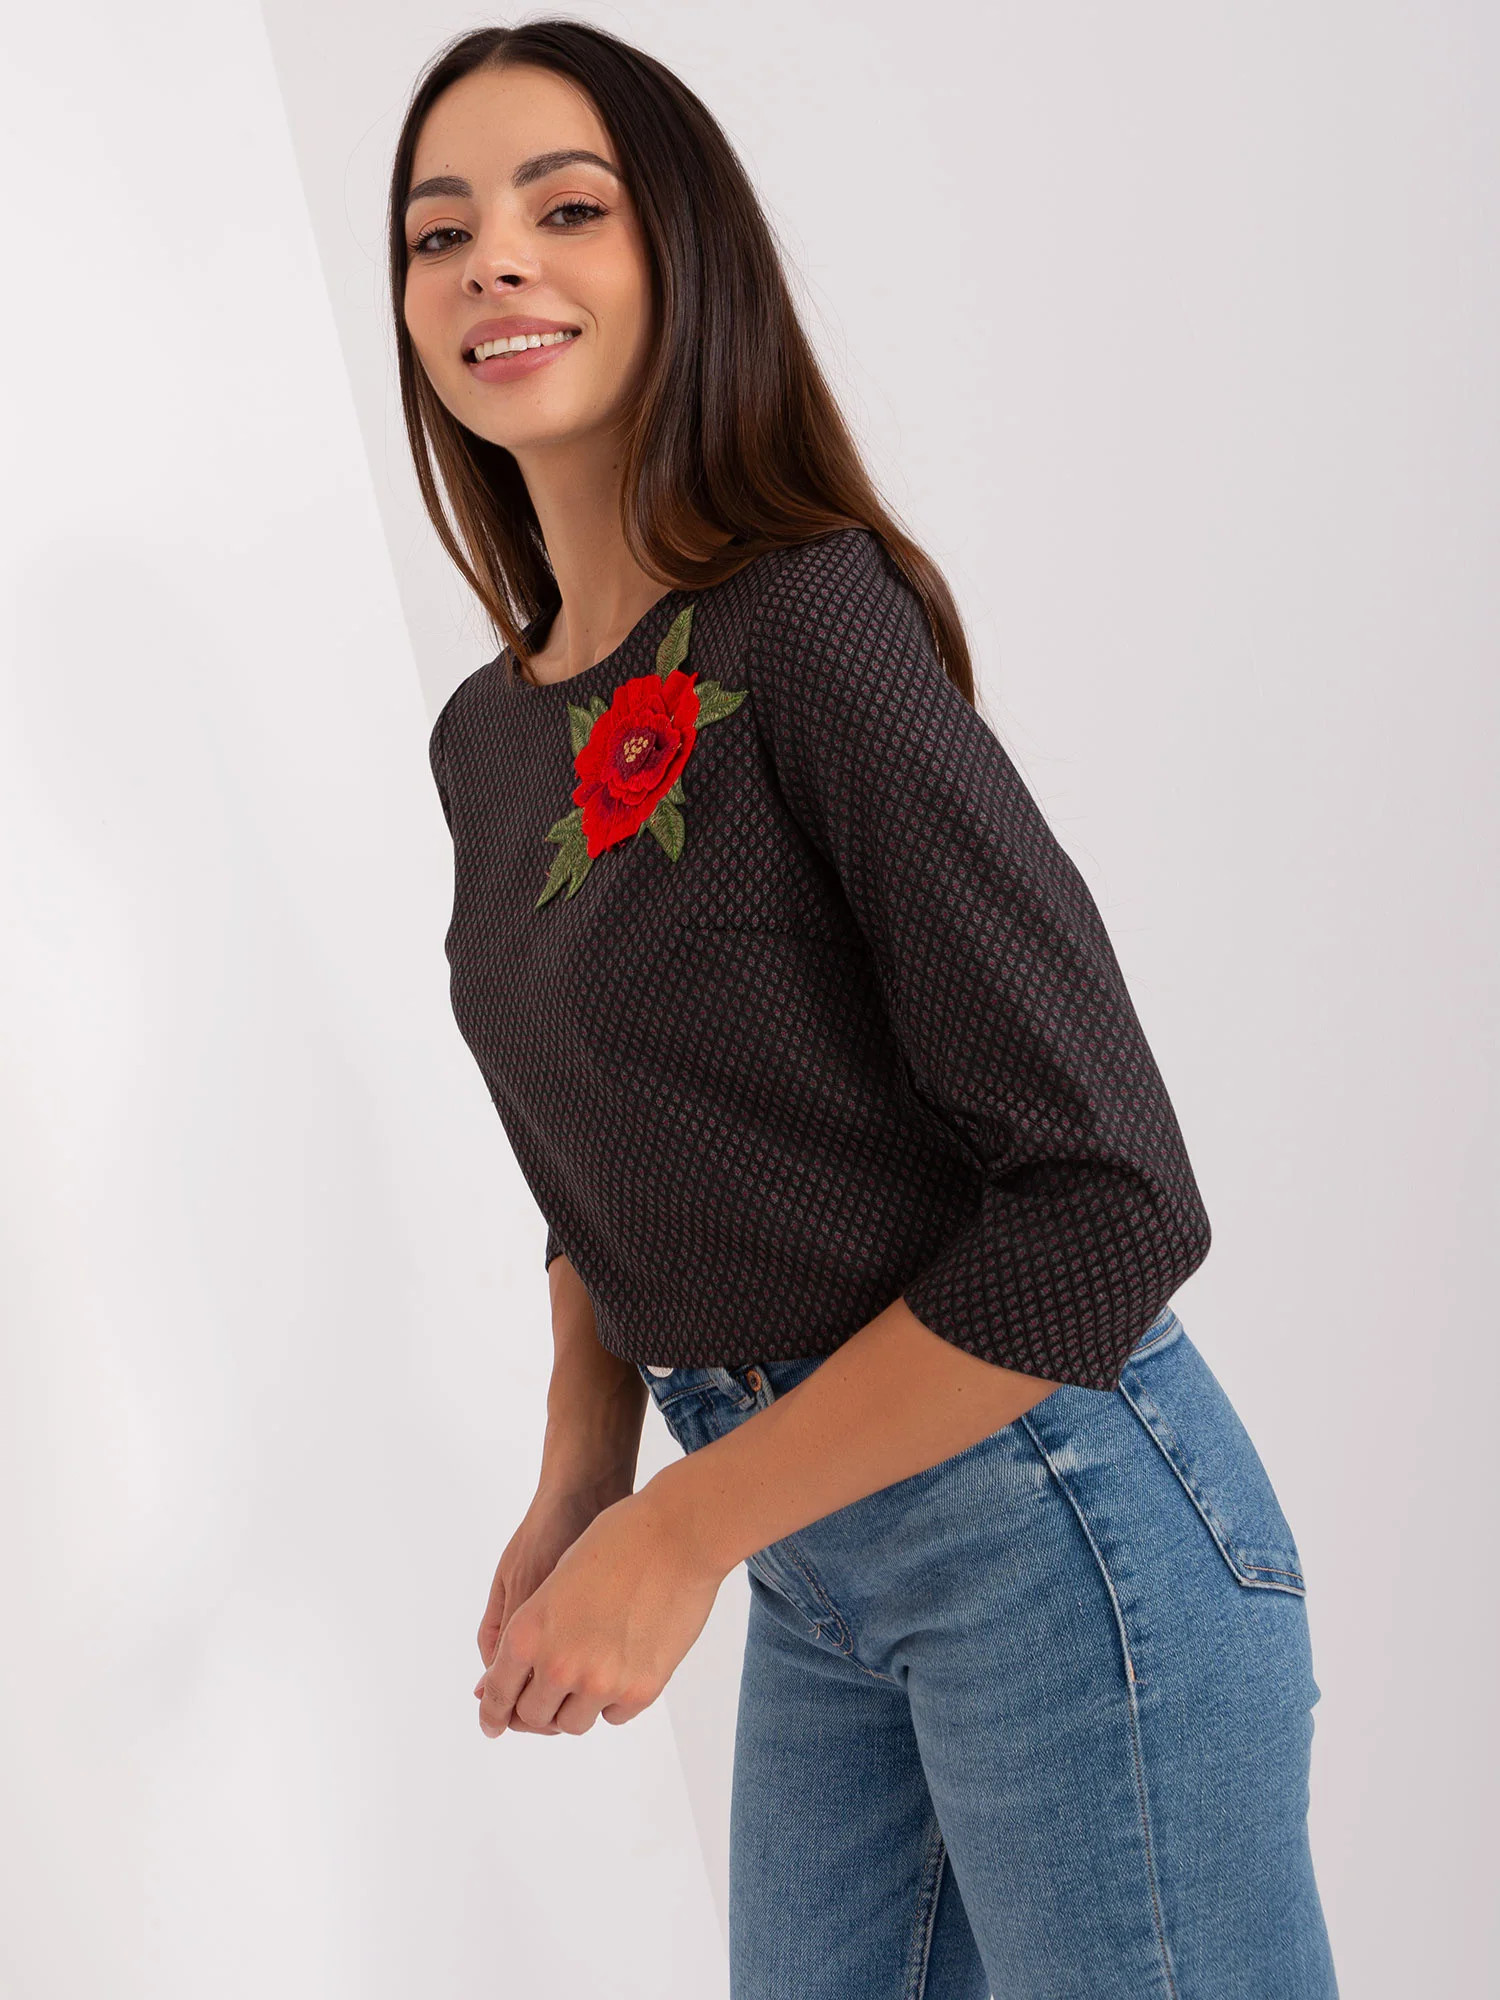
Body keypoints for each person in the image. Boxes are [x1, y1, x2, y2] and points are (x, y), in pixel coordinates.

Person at [395, 20, 1339, 1997]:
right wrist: (588, 1474)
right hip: (819, 1560)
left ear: (685, 259)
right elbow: (607, 1155)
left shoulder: (808, 625)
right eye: (440, 231)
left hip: (1056, 1527)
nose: (494, 262)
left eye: (567, 208)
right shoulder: (490, 740)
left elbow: (1110, 1203)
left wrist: (682, 1535)